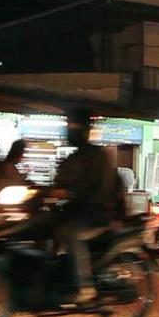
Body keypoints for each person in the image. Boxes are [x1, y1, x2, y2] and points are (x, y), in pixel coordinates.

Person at [53, 109, 126, 304]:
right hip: (77, 212)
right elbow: (60, 179)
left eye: (74, 126)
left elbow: (94, 187)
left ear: (85, 130)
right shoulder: (77, 156)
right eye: (69, 126)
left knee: (71, 234)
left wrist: (70, 193)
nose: (71, 130)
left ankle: (86, 287)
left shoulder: (96, 157)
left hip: (96, 215)